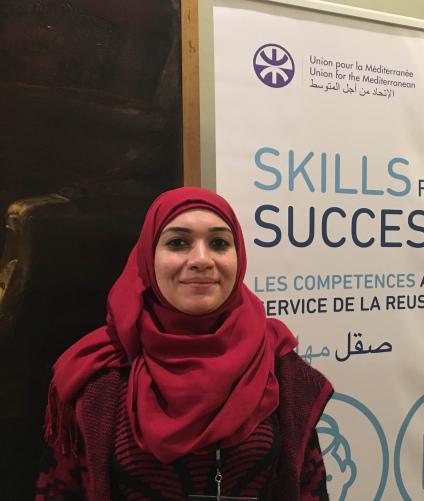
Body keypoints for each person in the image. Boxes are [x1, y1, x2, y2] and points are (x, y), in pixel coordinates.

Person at [35, 187, 333, 500]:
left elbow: (307, 488)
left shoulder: (276, 361)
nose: (201, 260)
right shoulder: (97, 371)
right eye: (178, 243)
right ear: (148, 257)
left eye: (219, 243)